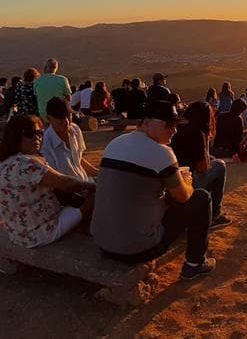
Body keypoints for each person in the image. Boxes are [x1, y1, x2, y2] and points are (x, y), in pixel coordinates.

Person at [91, 100, 216, 279]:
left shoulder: (115, 144)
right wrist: (187, 182)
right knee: (201, 198)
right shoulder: (162, 153)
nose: (174, 130)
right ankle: (195, 264)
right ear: (146, 122)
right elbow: (182, 197)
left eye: (175, 125)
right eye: (168, 124)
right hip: (137, 249)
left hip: (102, 242)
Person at [0, 114, 95, 248]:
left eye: (40, 133)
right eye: (30, 134)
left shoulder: (3, 162)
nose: (37, 138)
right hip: (40, 233)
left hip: (18, 232)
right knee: (94, 196)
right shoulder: (27, 164)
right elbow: (68, 184)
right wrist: (95, 185)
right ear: (15, 136)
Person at [170, 101, 230, 229]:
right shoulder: (197, 133)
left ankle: (206, 207)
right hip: (188, 181)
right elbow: (203, 167)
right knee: (220, 165)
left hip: (175, 176)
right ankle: (215, 215)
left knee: (214, 159)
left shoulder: (178, 128)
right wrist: (206, 140)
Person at [40, 97, 99, 183]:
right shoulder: (45, 144)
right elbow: (55, 179)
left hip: (83, 182)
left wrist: (99, 173)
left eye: (68, 116)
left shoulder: (75, 130)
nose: (66, 122)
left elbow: (77, 160)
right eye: (60, 118)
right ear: (49, 119)